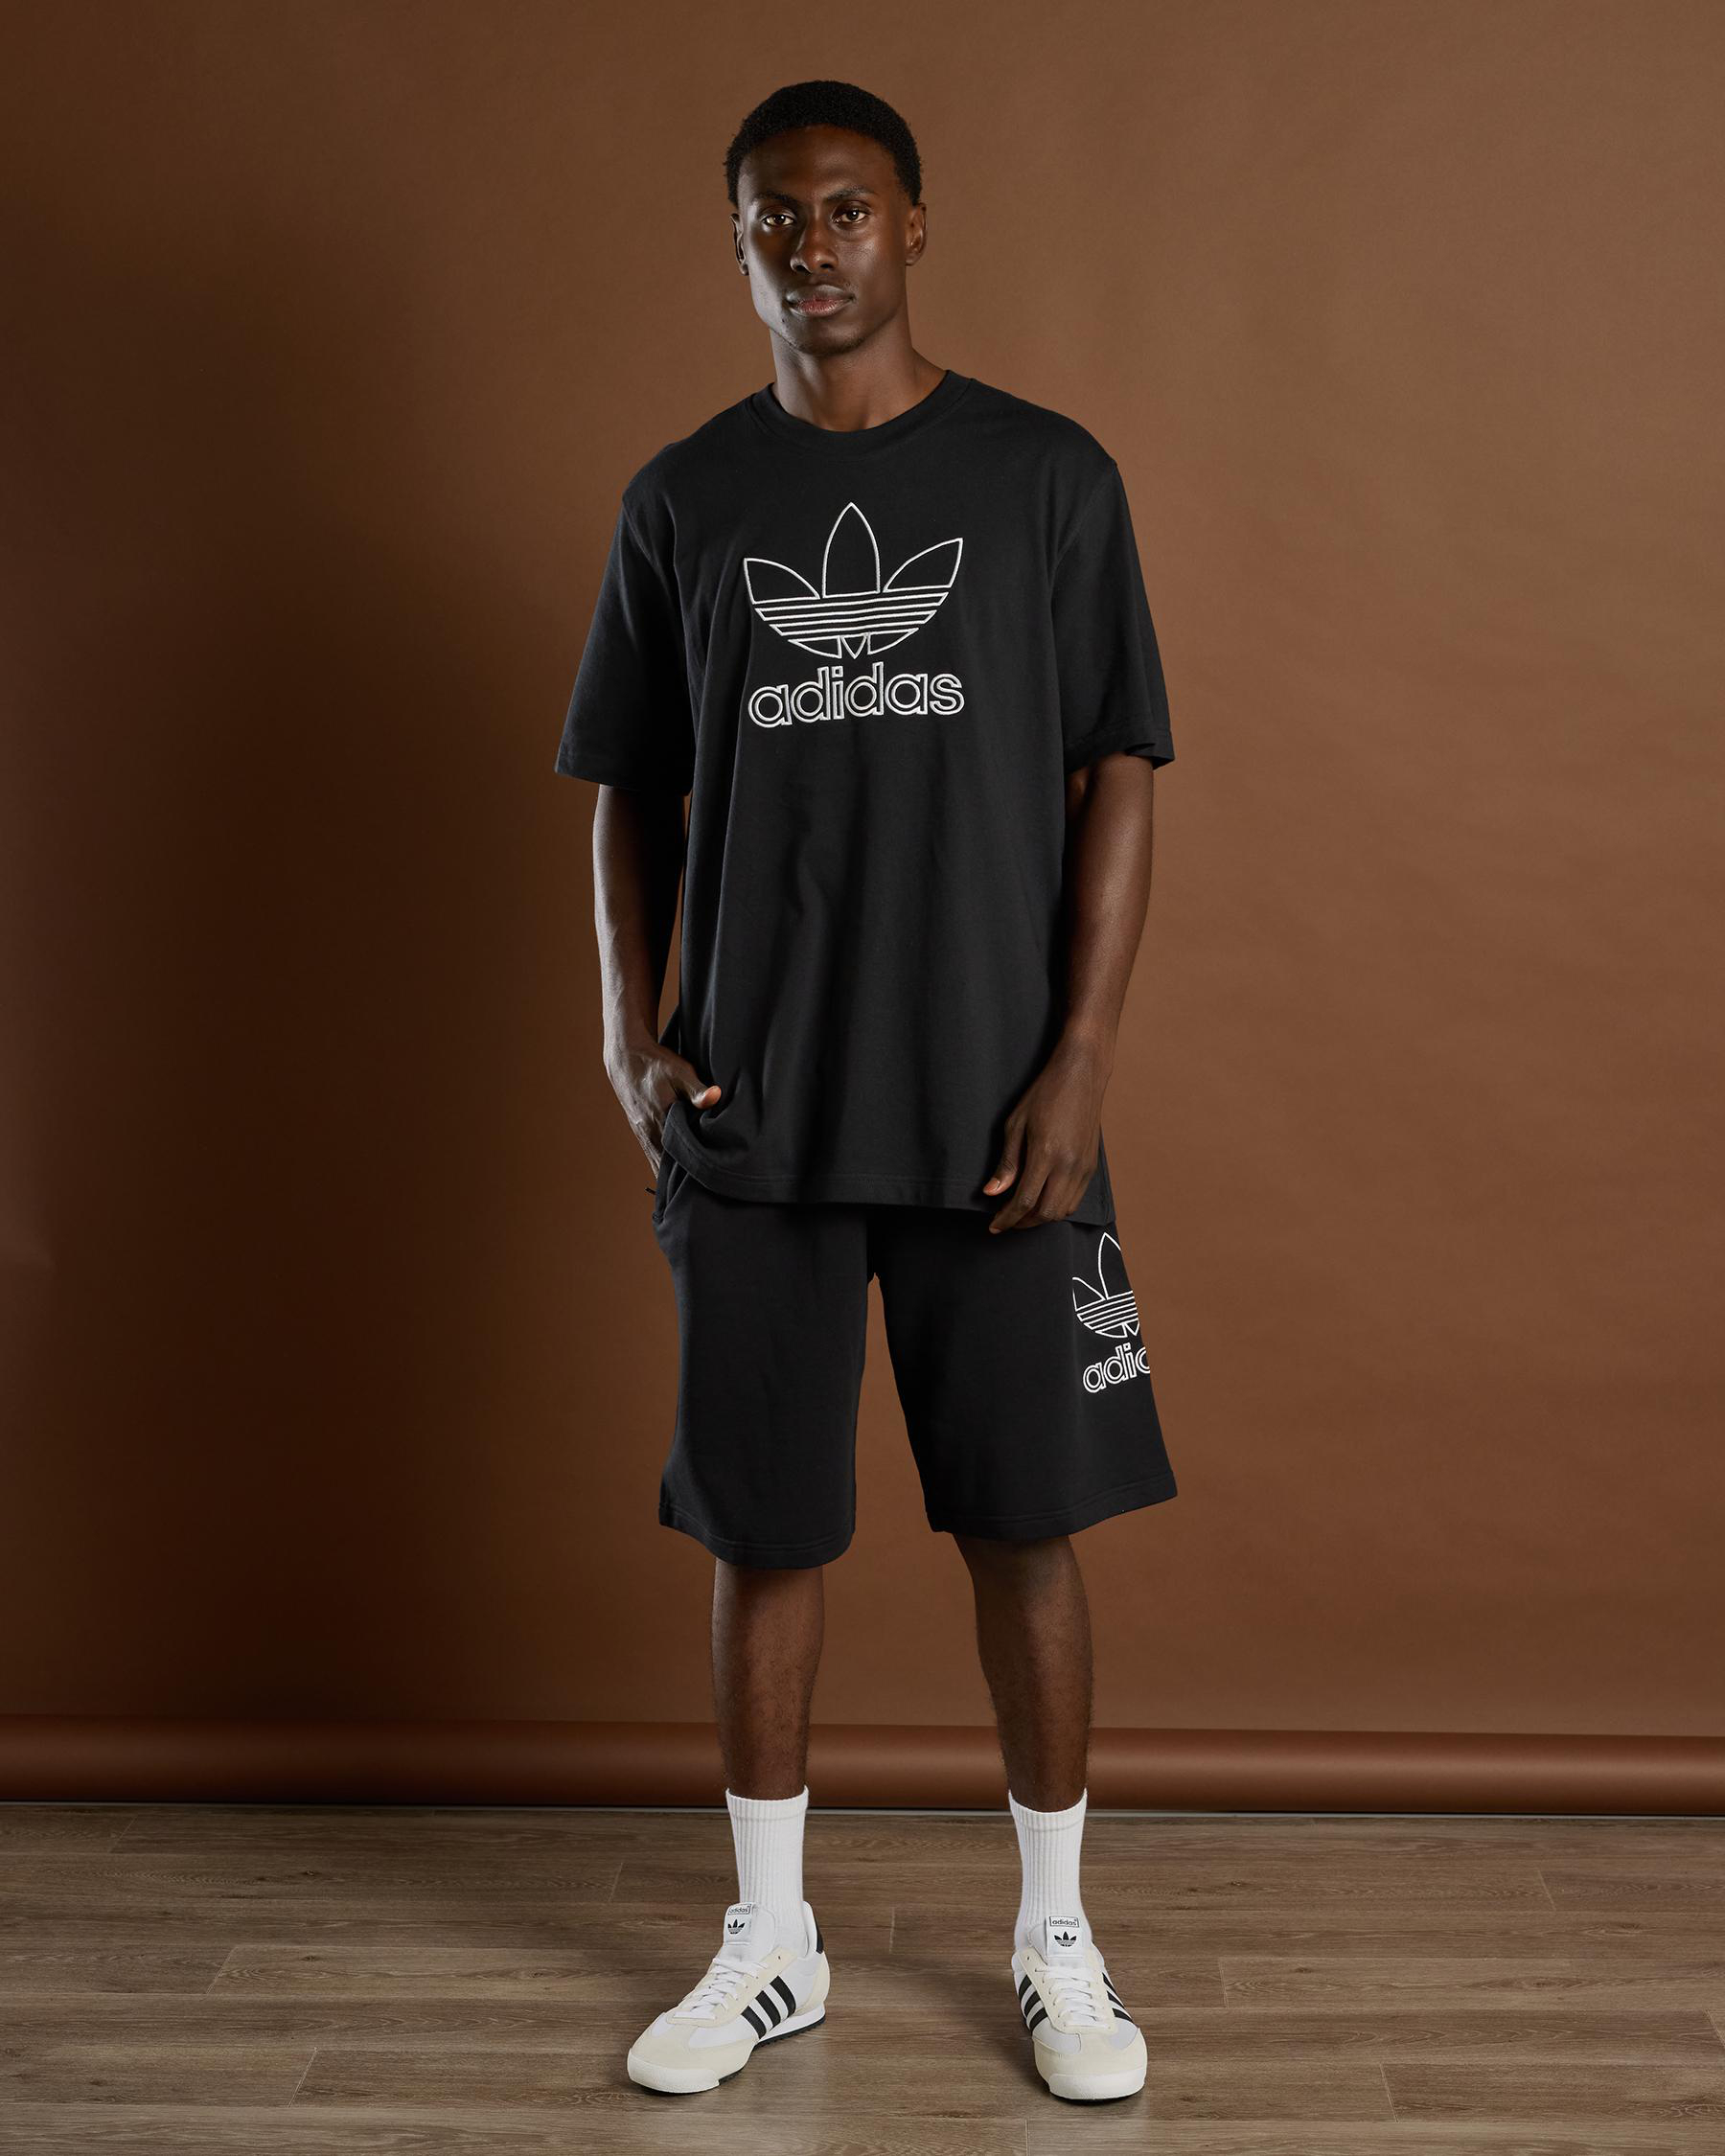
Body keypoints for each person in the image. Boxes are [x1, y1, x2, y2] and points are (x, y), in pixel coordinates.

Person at [554, 78, 1178, 2105]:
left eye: (843, 209)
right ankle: (771, 1942)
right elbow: (625, 791)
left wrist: (1080, 1056)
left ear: (914, 223)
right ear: (738, 242)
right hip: (757, 1115)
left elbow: (1118, 769)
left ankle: (1057, 1939)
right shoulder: (685, 498)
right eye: (773, 216)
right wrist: (628, 1032)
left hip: (998, 1113)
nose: (809, 247)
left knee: (1028, 1530)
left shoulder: (1046, 478)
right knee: (765, 1536)